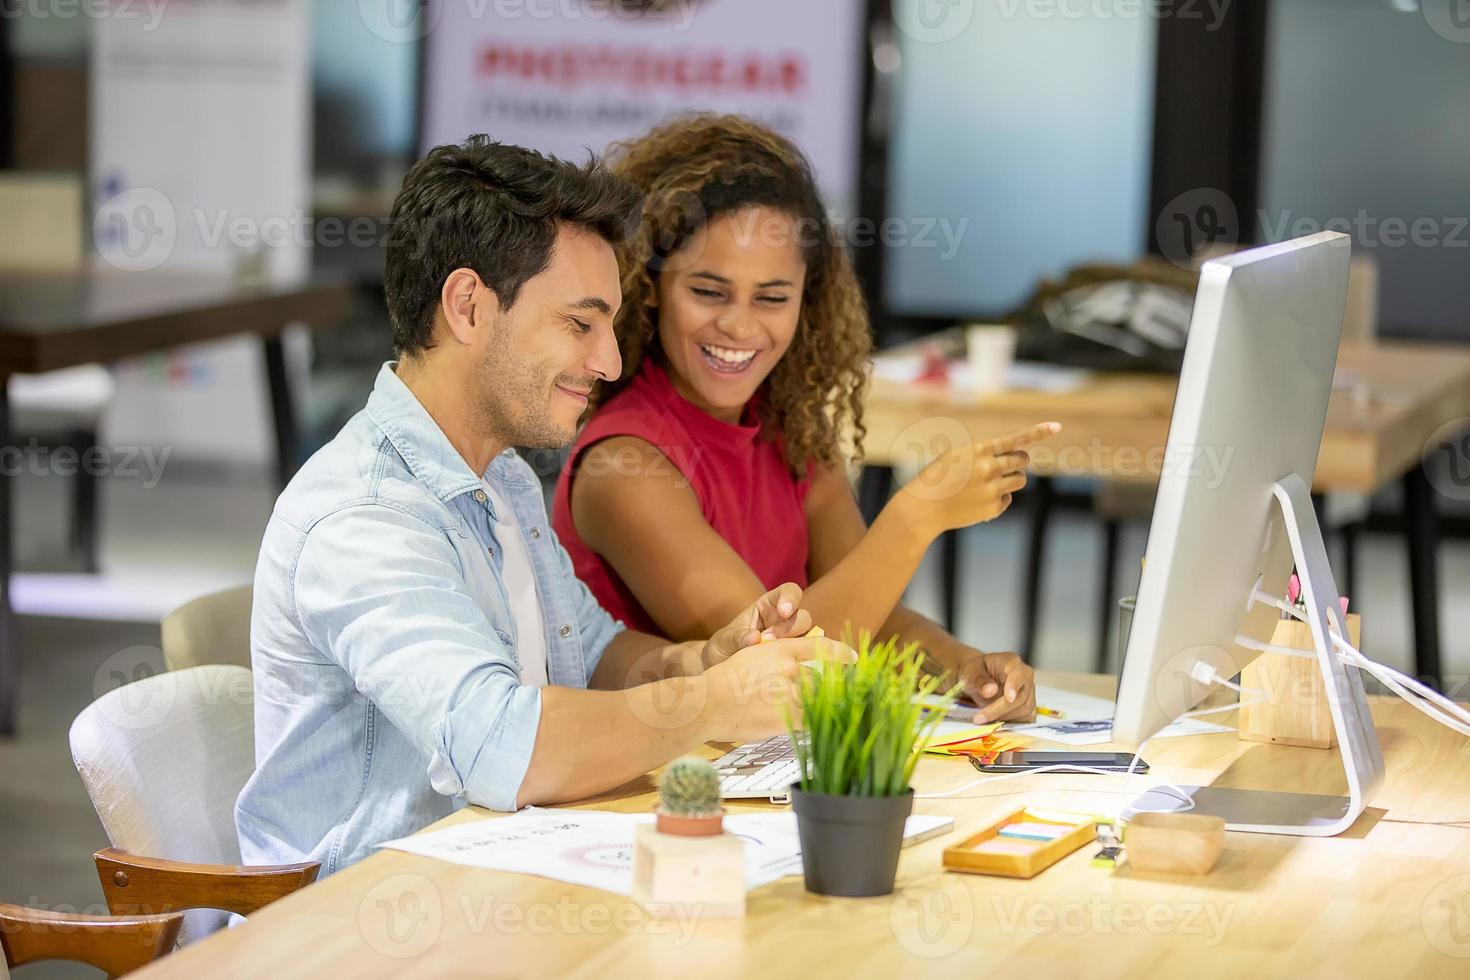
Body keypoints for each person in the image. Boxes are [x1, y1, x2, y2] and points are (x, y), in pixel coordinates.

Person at [236, 135, 841, 875]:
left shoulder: (504, 476)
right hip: (368, 934)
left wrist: (699, 661)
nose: (609, 361)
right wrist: (711, 704)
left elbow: (585, 651)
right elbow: (504, 747)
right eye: (579, 324)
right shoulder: (365, 517)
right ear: (467, 306)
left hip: (494, 894)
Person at [553, 115, 1059, 724]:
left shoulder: (788, 427)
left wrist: (963, 667)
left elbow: (873, 620)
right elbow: (781, 661)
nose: (740, 327)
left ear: (806, 300)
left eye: (772, 298)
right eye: (709, 292)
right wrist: (917, 514)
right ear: (654, 287)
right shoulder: (624, 463)